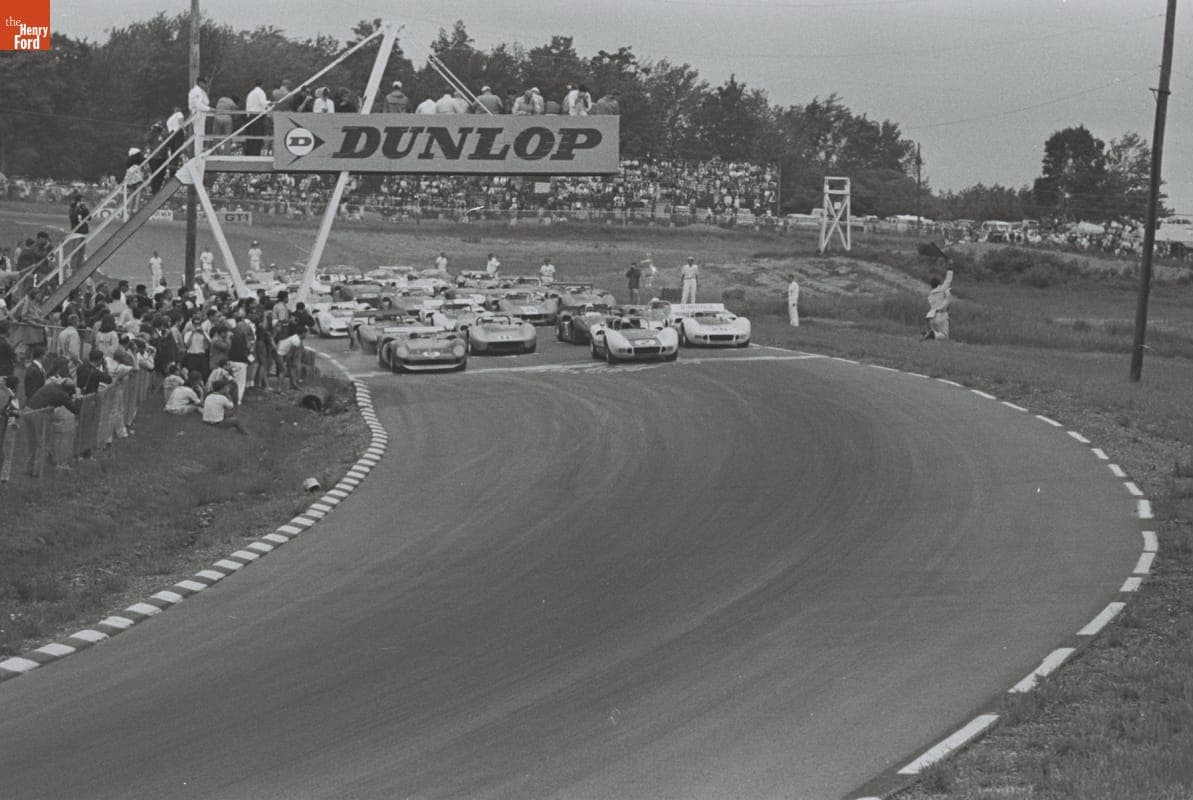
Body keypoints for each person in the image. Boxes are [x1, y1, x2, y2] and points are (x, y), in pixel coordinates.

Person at [924, 269, 955, 340]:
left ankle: (928, 334)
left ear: (931, 285)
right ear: (939, 284)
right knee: (945, 336)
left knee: (937, 335)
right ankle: (931, 334)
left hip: (932, 316)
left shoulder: (930, 295)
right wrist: (950, 269)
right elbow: (948, 280)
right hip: (942, 315)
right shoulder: (942, 289)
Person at [244, 77, 270, 156]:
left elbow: (248, 106)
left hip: (250, 116)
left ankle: (249, 153)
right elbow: (263, 103)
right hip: (257, 116)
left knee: (251, 136)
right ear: (262, 85)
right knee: (257, 136)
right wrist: (270, 103)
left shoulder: (251, 93)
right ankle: (255, 153)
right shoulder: (260, 92)